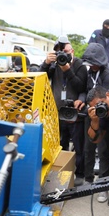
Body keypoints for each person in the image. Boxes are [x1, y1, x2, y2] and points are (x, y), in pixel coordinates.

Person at [38, 35, 88, 186]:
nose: (62, 55)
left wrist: (67, 69)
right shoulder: (54, 65)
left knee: (78, 145)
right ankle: (61, 171)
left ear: (72, 50)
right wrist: (47, 63)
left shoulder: (79, 65)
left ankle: (79, 173)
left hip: (75, 113)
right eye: (59, 52)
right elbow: (42, 78)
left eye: (65, 51)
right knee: (60, 143)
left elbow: (81, 87)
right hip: (57, 111)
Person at [82, 42, 109, 203]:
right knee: (88, 147)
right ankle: (88, 180)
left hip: (106, 118)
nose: (92, 65)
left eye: (94, 62)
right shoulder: (89, 72)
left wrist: (101, 113)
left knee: (104, 152)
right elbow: (84, 90)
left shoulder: (108, 74)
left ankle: (103, 186)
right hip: (91, 114)